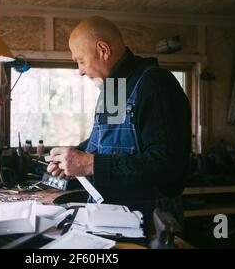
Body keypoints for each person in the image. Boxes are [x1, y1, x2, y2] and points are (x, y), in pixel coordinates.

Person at [47, 16, 191, 223]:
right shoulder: (115, 87)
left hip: (151, 219)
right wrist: (72, 159)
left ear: (103, 50)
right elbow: (106, 144)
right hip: (112, 215)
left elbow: (168, 165)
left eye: (80, 61)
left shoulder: (156, 85)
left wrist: (89, 164)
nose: (80, 71)